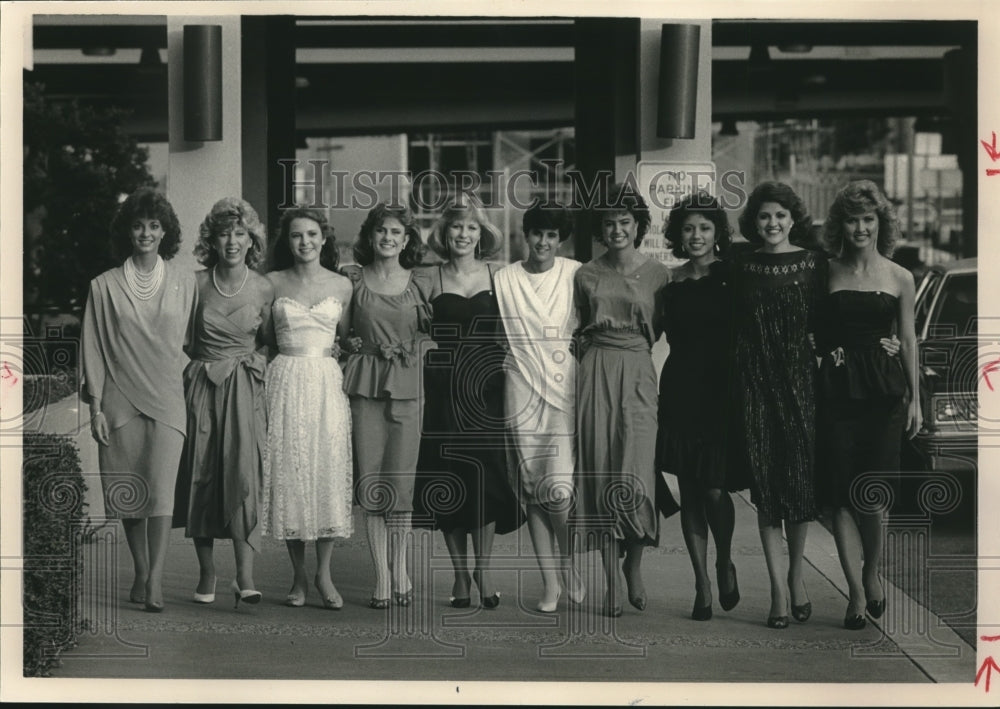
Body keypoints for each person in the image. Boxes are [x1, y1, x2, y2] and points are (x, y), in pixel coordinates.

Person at [81, 187, 198, 612]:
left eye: (153, 225)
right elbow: (91, 346)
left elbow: (200, 340)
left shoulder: (186, 283)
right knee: (129, 492)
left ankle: (156, 581)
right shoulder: (103, 287)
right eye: (137, 225)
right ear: (126, 231)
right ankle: (142, 569)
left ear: (165, 231)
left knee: (162, 492)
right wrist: (94, 405)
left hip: (168, 397)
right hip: (118, 399)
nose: (145, 232)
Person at [816, 180, 920, 630]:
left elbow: (909, 338)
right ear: (841, 225)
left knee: (872, 497)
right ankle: (855, 593)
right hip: (837, 392)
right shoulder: (826, 272)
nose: (860, 227)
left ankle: (871, 573)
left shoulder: (901, 277)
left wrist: (915, 398)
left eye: (868, 219)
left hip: (884, 393)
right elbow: (812, 332)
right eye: (852, 220)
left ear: (880, 224)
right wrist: (824, 352)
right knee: (839, 498)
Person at [413, 194, 525, 609]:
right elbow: (404, 322)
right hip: (443, 387)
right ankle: (461, 575)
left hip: (488, 387)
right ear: (445, 232)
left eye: (472, 227)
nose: (463, 234)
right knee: (450, 479)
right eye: (456, 226)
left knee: (487, 478)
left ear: (483, 234)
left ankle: (484, 568)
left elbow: (522, 324)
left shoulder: (501, 276)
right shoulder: (427, 278)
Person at [573, 183, 671, 617]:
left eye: (625, 222)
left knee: (635, 474)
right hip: (596, 369)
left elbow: (668, 328)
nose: (617, 229)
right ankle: (611, 581)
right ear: (601, 228)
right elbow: (577, 326)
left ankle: (634, 560)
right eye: (610, 223)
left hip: (638, 370)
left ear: (638, 226)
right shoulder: (586, 274)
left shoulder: (658, 274)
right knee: (600, 470)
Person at [732, 181, 826, 629]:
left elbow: (834, 319)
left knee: (799, 486)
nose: (772, 223)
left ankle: (796, 576)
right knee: (766, 489)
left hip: (800, 384)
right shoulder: (741, 263)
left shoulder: (813, 262)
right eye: (765, 216)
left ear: (793, 220)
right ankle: (776, 591)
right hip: (754, 385)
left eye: (781, 216)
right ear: (755, 221)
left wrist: (879, 342)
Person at [172, 197, 274, 609]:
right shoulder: (194, 283)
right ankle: (207, 572)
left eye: (240, 233)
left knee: (244, 474)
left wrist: (250, 363)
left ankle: (245, 575)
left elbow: (270, 340)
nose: (232, 241)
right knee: (200, 473)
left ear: (252, 240)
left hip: (246, 389)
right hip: (202, 385)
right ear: (211, 241)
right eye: (224, 234)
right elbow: (180, 338)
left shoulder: (265, 286)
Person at [341, 202, 434, 610]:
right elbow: (341, 336)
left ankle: (401, 570)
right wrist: (350, 345)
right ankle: (381, 577)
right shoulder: (352, 279)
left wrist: (417, 348)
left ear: (407, 239)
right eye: (382, 231)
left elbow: (438, 335)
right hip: (364, 387)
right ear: (370, 236)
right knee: (372, 481)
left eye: (396, 232)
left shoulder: (422, 282)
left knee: (401, 483)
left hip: (409, 386)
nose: (388, 238)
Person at [494, 203, 586, 613]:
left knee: (559, 491)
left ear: (560, 239)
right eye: (537, 234)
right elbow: (497, 332)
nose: (543, 242)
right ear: (525, 235)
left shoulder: (574, 272)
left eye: (551, 235)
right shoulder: (504, 278)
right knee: (532, 490)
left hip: (563, 390)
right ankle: (550, 584)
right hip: (520, 391)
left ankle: (569, 563)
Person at [655, 192, 742, 621]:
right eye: (688, 228)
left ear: (718, 234)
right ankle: (702, 583)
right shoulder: (668, 282)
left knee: (713, 489)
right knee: (689, 489)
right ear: (677, 234)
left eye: (705, 228)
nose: (696, 235)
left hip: (722, 393)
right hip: (680, 391)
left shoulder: (734, 275)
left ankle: (724, 559)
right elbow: (645, 329)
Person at [263, 207, 354, 610]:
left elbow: (348, 337)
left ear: (324, 238)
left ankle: (324, 572)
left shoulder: (342, 285)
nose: (305, 242)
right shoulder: (271, 283)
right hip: (285, 378)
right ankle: (299, 576)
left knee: (326, 472)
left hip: (326, 383)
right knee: (293, 475)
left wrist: (338, 351)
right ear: (288, 241)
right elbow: (264, 336)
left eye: (312, 234)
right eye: (298, 235)